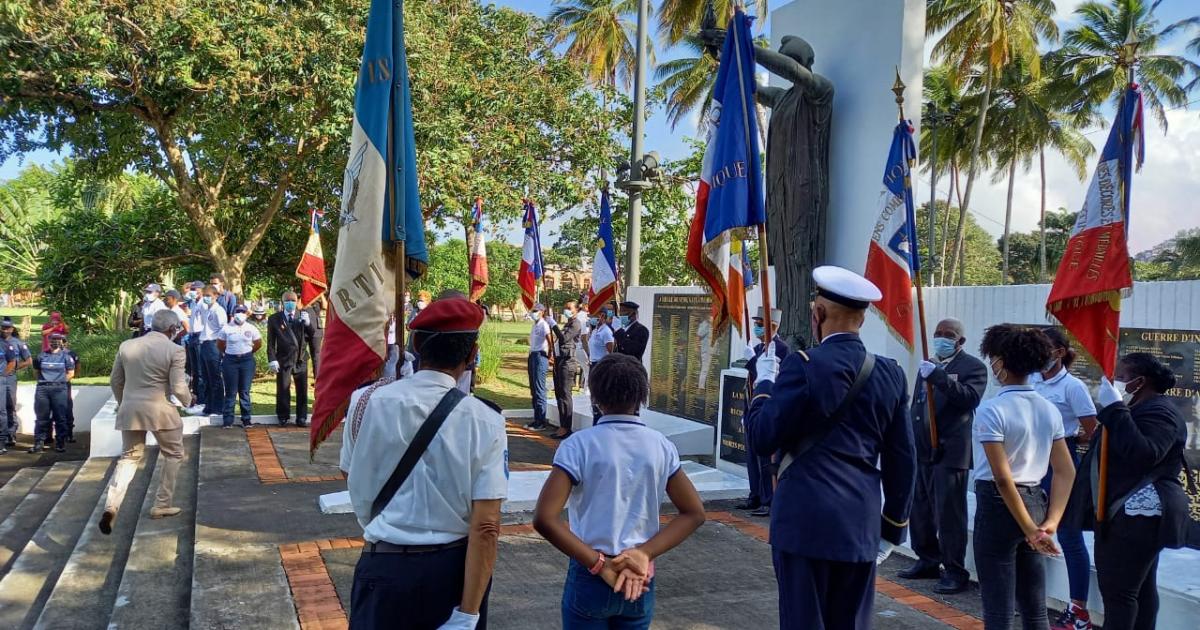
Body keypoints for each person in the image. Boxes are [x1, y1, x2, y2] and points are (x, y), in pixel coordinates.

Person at [745, 266, 916, 630]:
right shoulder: (890, 373)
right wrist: (892, 528)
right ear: (862, 318)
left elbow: (762, 437)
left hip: (804, 520)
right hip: (861, 522)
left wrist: (763, 386)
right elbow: (903, 460)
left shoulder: (802, 366)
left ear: (817, 314)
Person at [340, 297, 506, 630]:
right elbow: (486, 526)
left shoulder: (367, 401)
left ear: (416, 345)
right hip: (451, 574)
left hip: (383, 564)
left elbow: (350, 471)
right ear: (473, 354)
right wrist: (468, 614)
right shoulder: (485, 419)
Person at [533, 354, 706, 628]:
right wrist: (644, 553)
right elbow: (694, 513)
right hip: (638, 573)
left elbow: (545, 518)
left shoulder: (579, 445)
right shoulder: (660, 445)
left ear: (595, 398)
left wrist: (600, 564)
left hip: (591, 570)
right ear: (642, 396)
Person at [1063, 353, 1190, 630]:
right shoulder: (1139, 409)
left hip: (1137, 515)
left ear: (1139, 382)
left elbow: (1145, 454)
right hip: (1127, 514)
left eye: (1119, 376)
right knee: (1138, 591)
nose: (1112, 382)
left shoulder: (1161, 412)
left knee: (1120, 594)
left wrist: (1116, 409)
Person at [972, 324, 1076, 630]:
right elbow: (1065, 470)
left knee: (999, 609)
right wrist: (1050, 523)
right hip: (1034, 502)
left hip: (998, 506)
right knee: (1034, 607)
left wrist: (1031, 530)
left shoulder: (991, 409)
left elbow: (1002, 479)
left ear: (1001, 363)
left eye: (993, 359)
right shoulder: (1048, 409)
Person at [900, 318, 987, 594]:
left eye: (948, 335)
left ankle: (954, 570)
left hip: (950, 453)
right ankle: (927, 560)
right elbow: (918, 405)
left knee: (949, 516)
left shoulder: (973, 367)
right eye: (937, 333)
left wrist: (938, 376)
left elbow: (969, 398)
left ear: (960, 341)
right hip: (923, 449)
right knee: (921, 510)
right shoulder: (929, 364)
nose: (940, 338)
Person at [1029, 329, 1099, 630]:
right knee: (1031, 530)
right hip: (1031, 460)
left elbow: (1090, 428)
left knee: (1069, 535)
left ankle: (1079, 610)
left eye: (1045, 348)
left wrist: (1063, 439)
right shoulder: (1031, 380)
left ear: (1059, 352)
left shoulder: (1073, 387)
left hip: (1062, 460)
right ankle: (1031, 600)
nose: (1040, 354)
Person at [100, 309, 192, 534]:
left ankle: (111, 505)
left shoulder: (127, 346)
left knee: (129, 458)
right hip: (160, 410)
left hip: (130, 409)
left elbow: (115, 380)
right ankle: (162, 504)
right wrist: (188, 402)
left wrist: (124, 403)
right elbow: (178, 387)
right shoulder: (175, 350)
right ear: (172, 329)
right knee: (173, 454)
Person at [737, 308, 790, 519]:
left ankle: (769, 501)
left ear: (773, 326)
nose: (757, 326)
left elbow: (768, 379)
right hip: (753, 407)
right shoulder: (760, 347)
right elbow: (751, 382)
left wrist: (751, 361)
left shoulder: (780, 348)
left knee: (766, 460)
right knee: (751, 456)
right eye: (756, 322)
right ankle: (755, 495)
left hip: (767, 410)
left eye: (760, 323)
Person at [267, 292, 316, 428]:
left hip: (300, 358)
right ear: (282, 302)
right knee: (283, 388)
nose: (290, 302)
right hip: (283, 358)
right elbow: (271, 342)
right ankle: (283, 416)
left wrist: (308, 324)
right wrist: (272, 359)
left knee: (302, 390)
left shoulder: (303, 315)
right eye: (287, 300)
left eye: (293, 300)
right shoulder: (274, 319)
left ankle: (301, 417)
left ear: (297, 301)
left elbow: (312, 336)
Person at [28, 332, 76, 453]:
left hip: (59, 389)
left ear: (61, 341)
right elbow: (36, 371)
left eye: (58, 339)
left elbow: (71, 373)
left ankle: (60, 443)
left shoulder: (66, 357)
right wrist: (45, 381)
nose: (55, 342)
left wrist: (59, 381)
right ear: (48, 341)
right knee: (41, 417)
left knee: (60, 417)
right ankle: (39, 443)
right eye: (53, 339)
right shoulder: (41, 356)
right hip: (43, 389)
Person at [217, 304, 261, 429]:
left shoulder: (251, 328)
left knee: (244, 391)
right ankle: (228, 421)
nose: (240, 313)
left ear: (247, 313)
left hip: (246, 360)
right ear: (233, 313)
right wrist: (229, 353)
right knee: (231, 392)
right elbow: (220, 344)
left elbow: (258, 343)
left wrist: (248, 353)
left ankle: (246, 420)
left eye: (243, 311)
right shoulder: (226, 328)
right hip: (230, 361)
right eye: (238, 311)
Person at [548, 301, 583, 440]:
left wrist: (553, 325)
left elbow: (563, 339)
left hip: (568, 363)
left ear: (576, 310)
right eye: (565, 308)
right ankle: (562, 425)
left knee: (565, 396)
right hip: (560, 361)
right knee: (559, 394)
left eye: (569, 308)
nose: (566, 310)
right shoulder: (568, 323)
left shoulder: (576, 324)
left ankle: (566, 427)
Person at [1, 318, 32, 447]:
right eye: (3, 328)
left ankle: (11, 433)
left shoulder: (18, 343)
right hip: (2, 377)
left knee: (10, 405)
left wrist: (13, 368)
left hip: (10, 378)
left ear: (12, 329)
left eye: (8, 328)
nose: (5, 330)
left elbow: (29, 361)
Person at [526, 303, 552, 430]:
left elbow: (550, 341)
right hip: (532, 355)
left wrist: (549, 356)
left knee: (539, 388)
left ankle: (541, 421)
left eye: (536, 311)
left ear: (542, 312)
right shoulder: (535, 324)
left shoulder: (544, 325)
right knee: (533, 389)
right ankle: (536, 418)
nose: (533, 312)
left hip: (540, 356)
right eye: (533, 310)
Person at [587, 310, 616, 419]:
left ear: (602, 316)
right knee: (593, 396)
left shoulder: (606, 332)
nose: (591, 318)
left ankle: (600, 419)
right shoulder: (595, 330)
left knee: (599, 396)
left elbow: (610, 351)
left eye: (593, 315)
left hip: (601, 365)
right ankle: (596, 419)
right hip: (593, 364)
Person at [0, 332, 15, 454]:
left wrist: (3, 375)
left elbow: (12, 362)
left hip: (1, 380)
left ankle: (1, 442)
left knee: (1, 411)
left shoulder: (5, 345)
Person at [307, 295, 326, 379]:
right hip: (303, 329)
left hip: (316, 331)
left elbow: (325, 306)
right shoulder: (304, 297)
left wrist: (321, 294)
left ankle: (317, 378)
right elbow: (300, 306)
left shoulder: (318, 300)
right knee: (299, 353)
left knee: (316, 355)